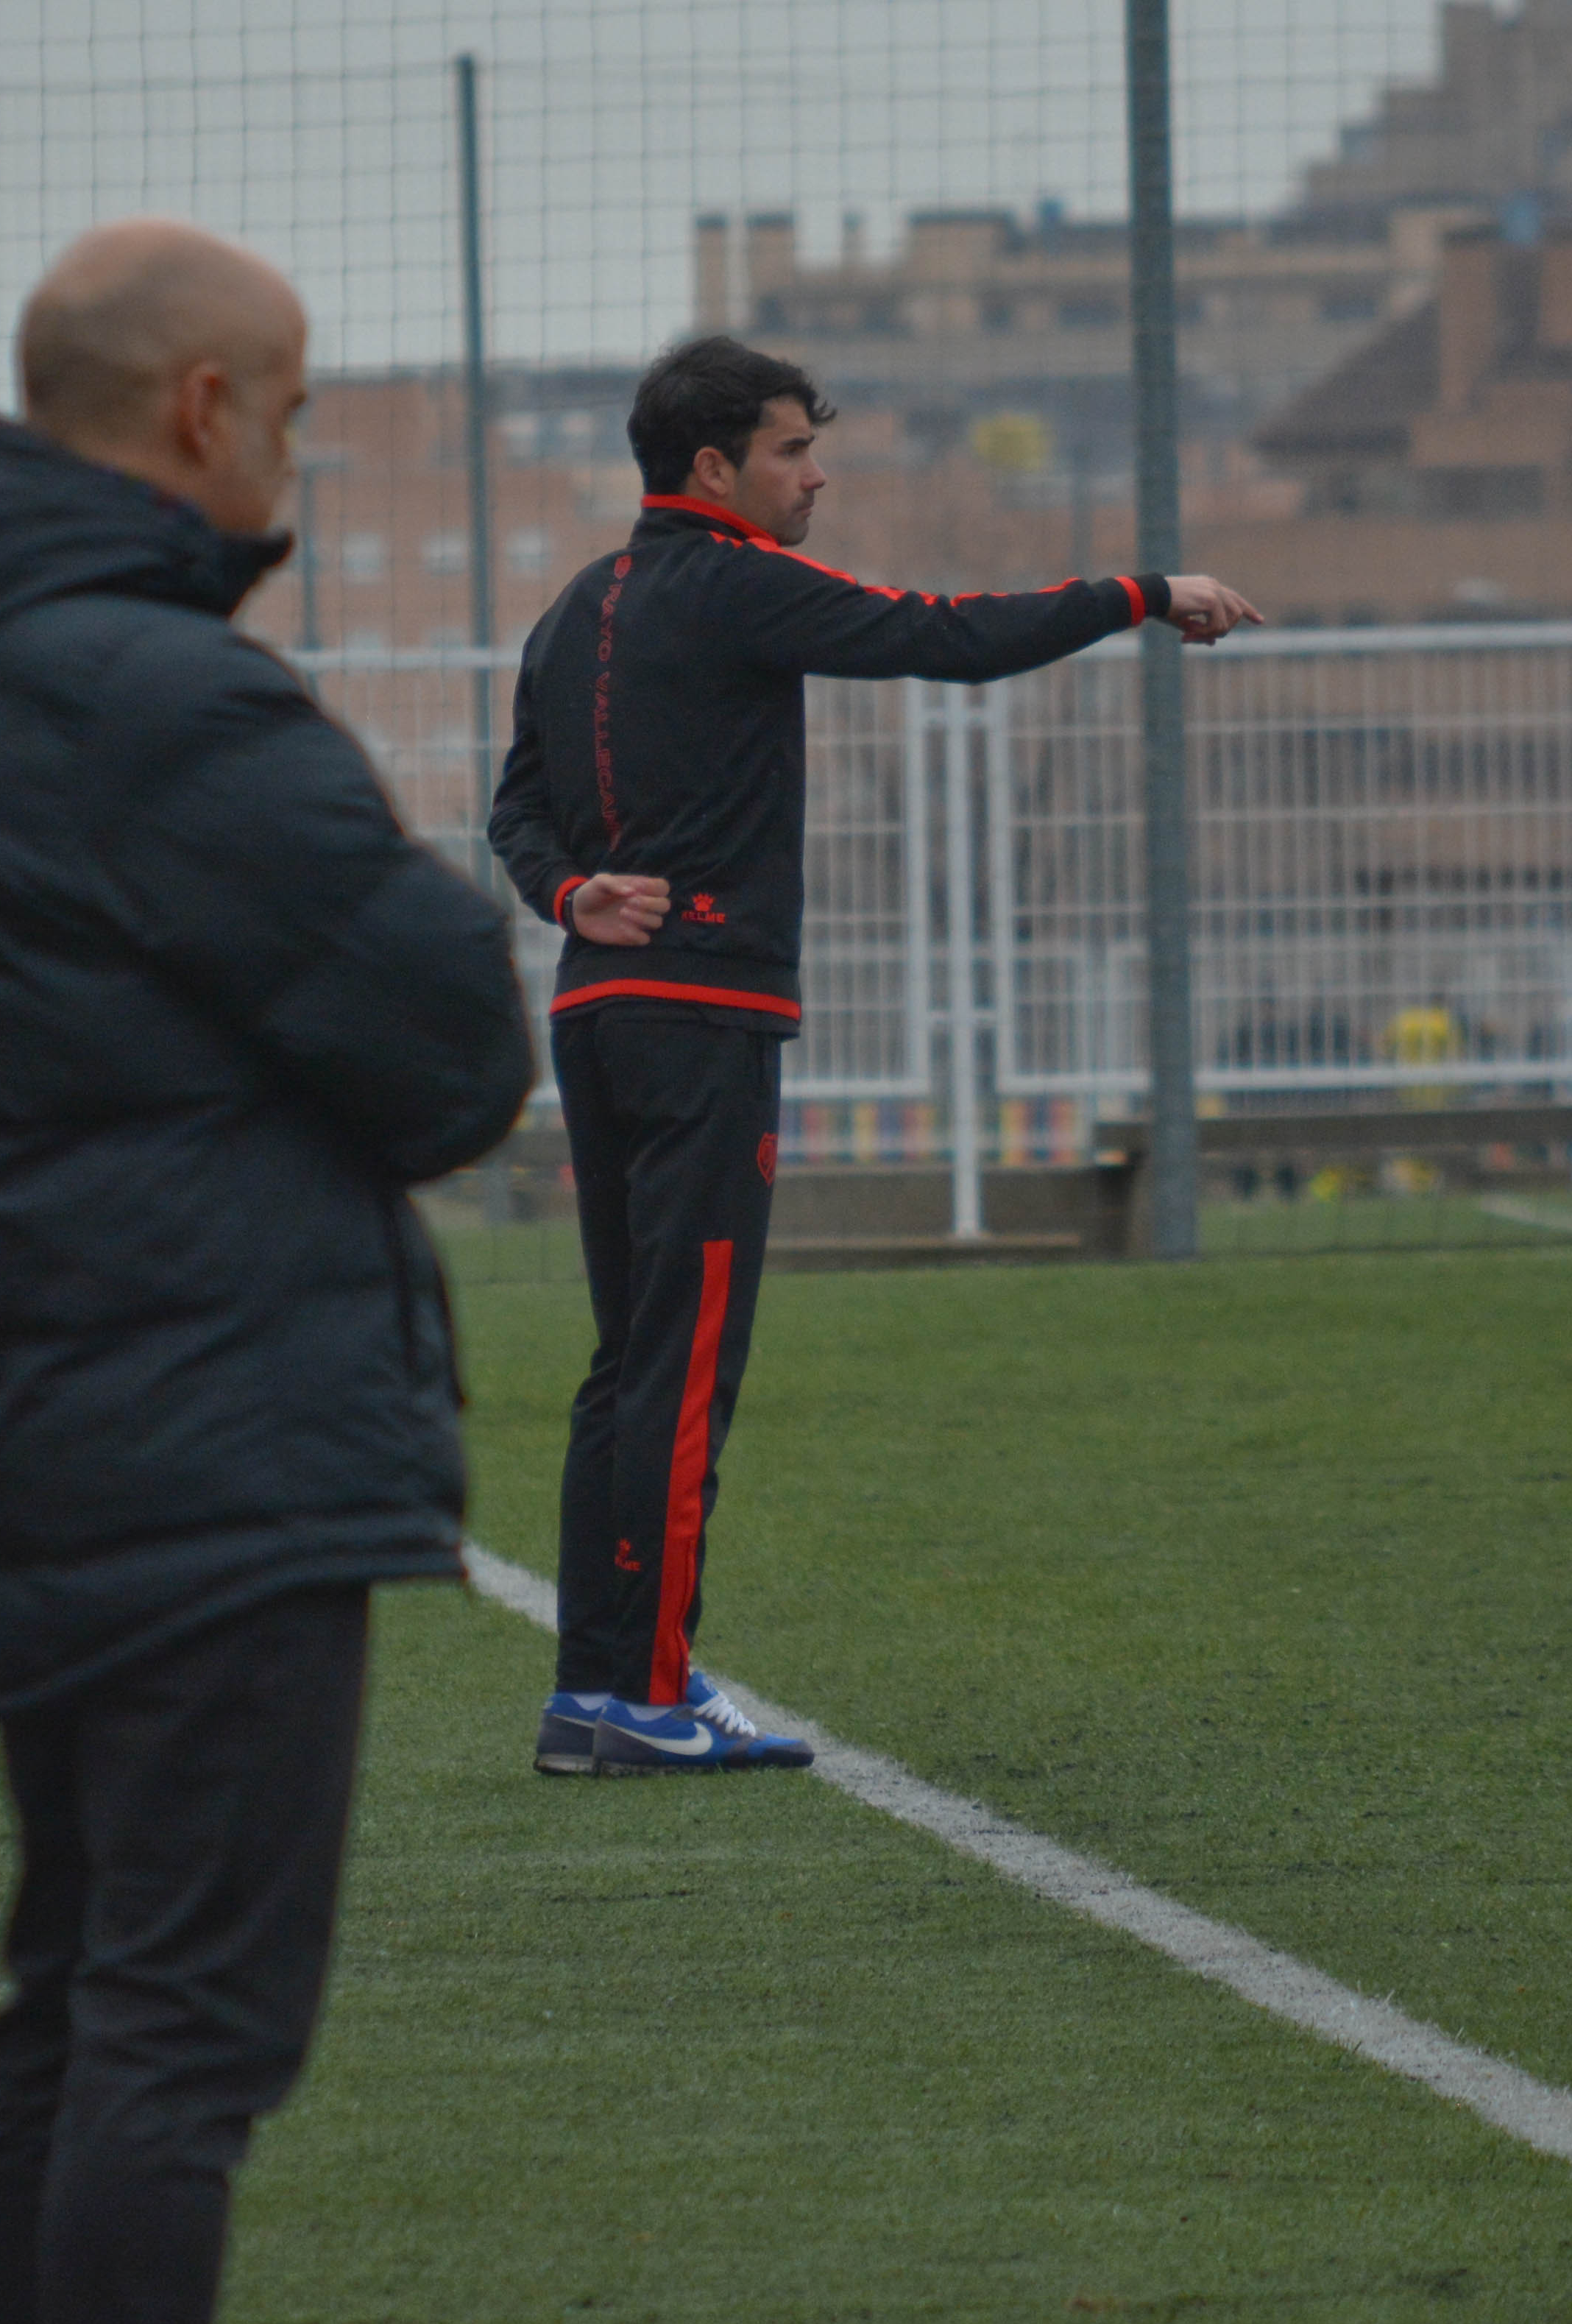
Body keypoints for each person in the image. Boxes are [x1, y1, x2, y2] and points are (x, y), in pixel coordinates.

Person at [0, 219, 532, 2324]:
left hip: (48, 1419)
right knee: (180, 2024)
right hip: (214, 1433)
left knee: (76, 1999)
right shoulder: (157, 699)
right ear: (204, 408)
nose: (300, 448)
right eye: (300, 406)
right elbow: (445, 1047)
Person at [491, 334, 1258, 1775]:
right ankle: (643, 1703)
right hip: (704, 1017)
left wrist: (564, 896)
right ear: (714, 468)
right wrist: (1140, 594)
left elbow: (514, 809)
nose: (815, 473)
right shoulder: (732, 583)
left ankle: (604, 1686)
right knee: (684, 1367)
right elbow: (941, 633)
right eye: (792, 450)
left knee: (632, 1362)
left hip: (599, 1013)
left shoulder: (578, 603)